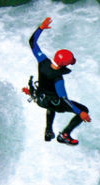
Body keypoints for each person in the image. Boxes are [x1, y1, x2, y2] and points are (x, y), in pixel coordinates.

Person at [27, 17, 91, 145]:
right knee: (83, 109)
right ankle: (65, 135)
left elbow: (32, 42)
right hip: (53, 102)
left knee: (52, 101)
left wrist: (40, 28)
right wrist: (80, 113)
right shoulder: (58, 79)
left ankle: (48, 131)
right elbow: (64, 100)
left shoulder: (43, 61)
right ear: (64, 65)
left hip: (40, 99)